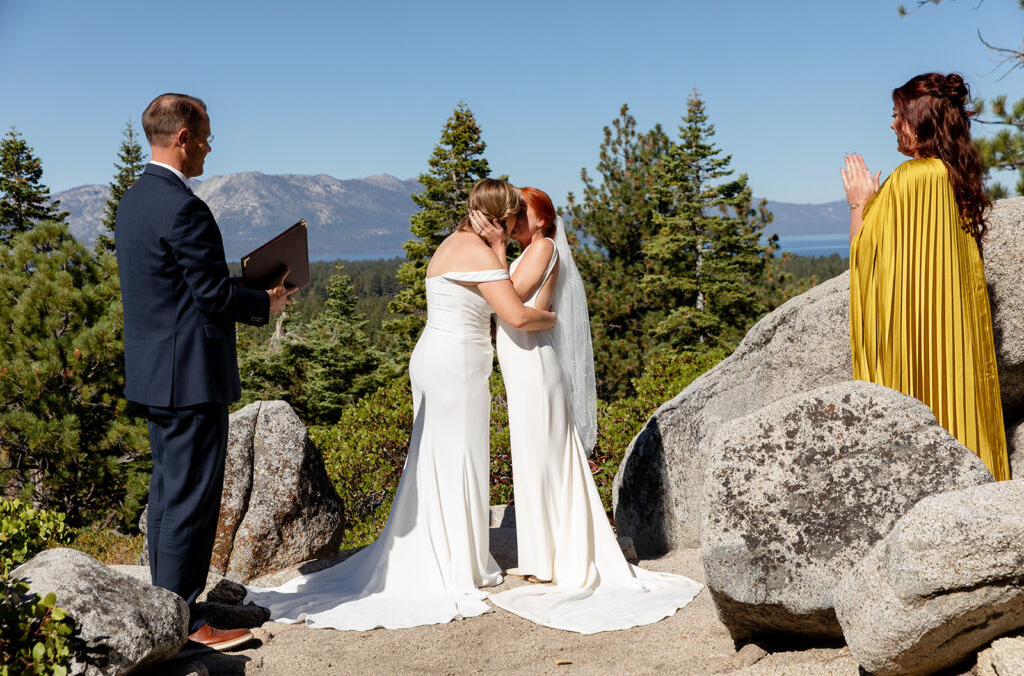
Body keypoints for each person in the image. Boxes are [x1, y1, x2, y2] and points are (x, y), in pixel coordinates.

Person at [244, 179, 555, 630]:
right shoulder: (479, 251)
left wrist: (496, 250)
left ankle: (451, 548)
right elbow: (515, 313)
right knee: (457, 456)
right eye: (510, 220)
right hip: (456, 365)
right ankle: (453, 560)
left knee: (442, 456)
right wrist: (552, 317)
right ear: (497, 217)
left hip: (441, 358)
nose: (512, 229)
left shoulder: (454, 243)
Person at [473, 187, 703, 634]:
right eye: (512, 214)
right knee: (530, 457)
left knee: (544, 457)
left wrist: (495, 250)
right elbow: (533, 309)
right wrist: (535, 309)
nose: (515, 219)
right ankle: (541, 556)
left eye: (523, 213)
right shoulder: (532, 251)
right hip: (521, 365)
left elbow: (510, 297)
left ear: (542, 221)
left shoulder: (542, 249)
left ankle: (557, 557)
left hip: (535, 366)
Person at [115, 93, 295, 651]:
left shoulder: (133, 201)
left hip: (155, 374)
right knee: (191, 497)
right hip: (190, 376)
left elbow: (173, 290)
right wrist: (267, 301)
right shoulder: (184, 206)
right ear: (184, 137)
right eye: (208, 135)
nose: (211, 146)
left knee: (170, 493)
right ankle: (187, 621)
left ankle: (168, 605)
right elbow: (212, 294)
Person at [843, 72, 1009, 481]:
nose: (892, 123)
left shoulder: (911, 178)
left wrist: (858, 204)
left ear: (921, 119)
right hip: (957, 338)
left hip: (917, 344)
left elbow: (864, 258)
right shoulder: (955, 176)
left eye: (899, 114)